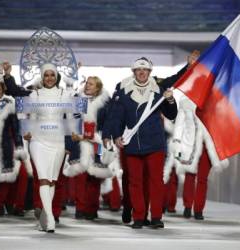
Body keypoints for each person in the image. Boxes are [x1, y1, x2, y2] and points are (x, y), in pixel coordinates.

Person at [104, 56, 193, 229]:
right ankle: (138, 217)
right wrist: (114, 136)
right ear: (134, 72)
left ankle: (157, 217)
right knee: (135, 182)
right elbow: (116, 116)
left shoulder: (159, 89)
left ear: (150, 72)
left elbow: (172, 114)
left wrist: (170, 99)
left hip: (155, 143)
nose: (142, 72)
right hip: (133, 144)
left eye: (145, 69)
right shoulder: (123, 90)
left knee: (155, 181)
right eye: (138, 69)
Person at [23, 63, 68, 233]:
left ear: (56, 76)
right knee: (43, 179)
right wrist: (27, 132)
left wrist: (73, 141)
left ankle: (45, 217)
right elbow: (31, 118)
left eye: (52, 75)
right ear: (42, 77)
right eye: (46, 75)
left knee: (51, 181)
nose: (49, 78)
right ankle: (50, 219)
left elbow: (73, 118)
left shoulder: (65, 94)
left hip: (58, 140)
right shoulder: (34, 94)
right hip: (38, 140)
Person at [63, 76, 113, 220]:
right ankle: (80, 209)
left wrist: (103, 139)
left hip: (98, 144)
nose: (87, 86)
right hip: (80, 143)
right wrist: (69, 144)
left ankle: (92, 209)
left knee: (95, 177)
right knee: (81, 177)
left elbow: (109, 124)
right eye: (86, 83)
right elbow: (70, 124)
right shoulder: (77, 101)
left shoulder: (106, 104)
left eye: (91, 84)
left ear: (98, 87)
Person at [173, 96, 229, 220]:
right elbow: (179, 125)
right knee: (190, 175)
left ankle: (198, 209)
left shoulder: (216, 102)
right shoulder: (185, 103)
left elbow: (221, 123)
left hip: (208, 146)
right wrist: (177, 143)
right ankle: (187, 206)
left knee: (202, 179)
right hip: (190, 145)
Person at [0, 78, 26, 216]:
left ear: (3, 90)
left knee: (8, 175)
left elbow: (16, 128)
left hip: (6, 144)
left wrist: (19, 147)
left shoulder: (10, 103)